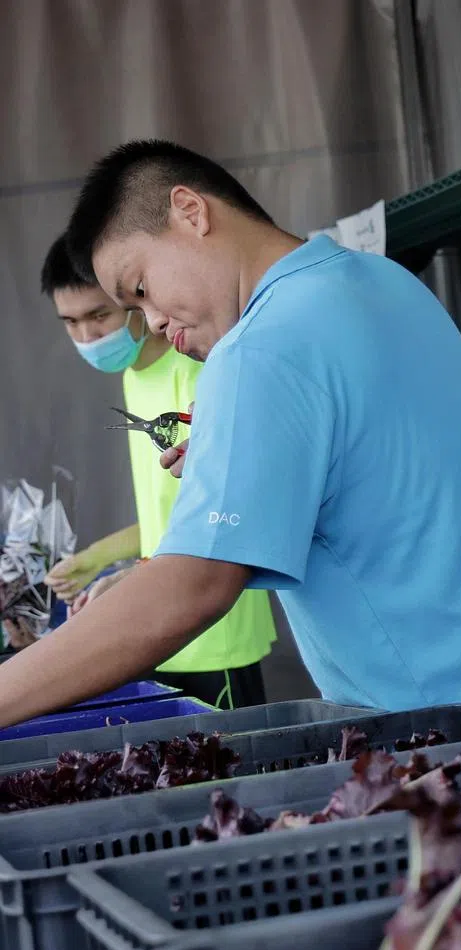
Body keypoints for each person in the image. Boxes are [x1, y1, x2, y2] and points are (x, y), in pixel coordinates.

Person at [0, 140, 461, 727]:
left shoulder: (259, 347)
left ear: (190, 210)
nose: (151, 320)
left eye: (141, 288)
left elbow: (192, 588)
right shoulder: (384, 282)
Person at [39, 236, 277, 708]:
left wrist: (135, 576)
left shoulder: (198, 373)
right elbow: (165, 514)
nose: (88, 338)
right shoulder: (134, 377)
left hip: (217, 628)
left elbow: (226, 512)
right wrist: (95, 559)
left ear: (134, 300)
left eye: (98, 316)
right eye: (71, 323)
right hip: (164, 626)